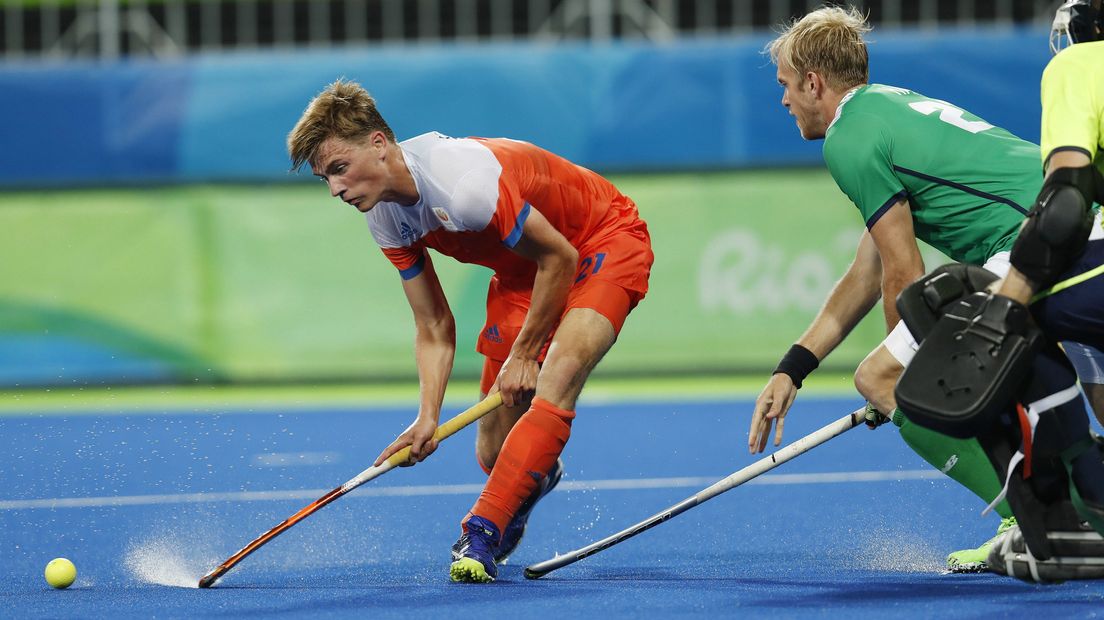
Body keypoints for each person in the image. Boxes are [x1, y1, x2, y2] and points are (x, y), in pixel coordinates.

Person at [748, 5, 1103, 572]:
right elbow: (867, 272)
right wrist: (794, 366)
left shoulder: (849, 138)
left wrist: (907, 381)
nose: (784, 99)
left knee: (880, 376)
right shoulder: (886, 108)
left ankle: (1031, 524)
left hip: (1034, 244)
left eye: (787, 86)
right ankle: (1086, 519)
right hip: (1085, 226)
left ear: (814, 82)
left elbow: (902, 270)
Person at [286, 80, 653, 583]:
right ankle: (531, 478)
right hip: (526, 274)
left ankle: (481, 531)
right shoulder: (386, 219)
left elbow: (560, 257)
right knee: (492, 452)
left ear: (378, 143)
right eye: (325, 179)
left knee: (558, 374)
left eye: (338, 168)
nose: (335, 189)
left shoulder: (462, 185)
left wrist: (525, 354)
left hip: (600, 240)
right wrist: (427, 418)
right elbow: (434, 324)